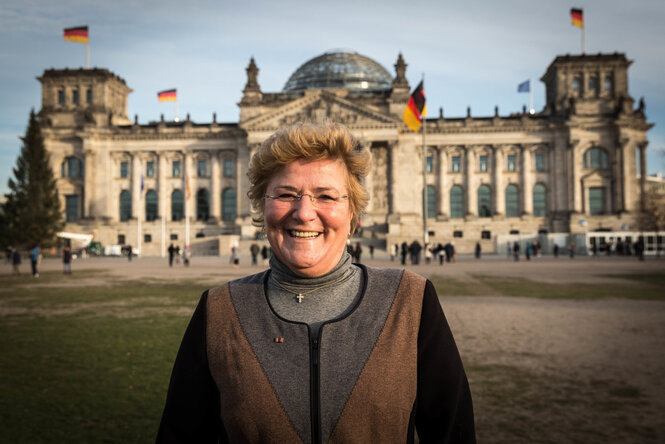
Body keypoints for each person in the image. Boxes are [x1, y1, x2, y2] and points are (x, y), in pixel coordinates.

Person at [157, 122, 475, 443]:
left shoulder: (412, 302)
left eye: (325, 196)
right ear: (262, 206)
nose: (304, 212)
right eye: (285, 194)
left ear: (352, 212)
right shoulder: (218, 312)